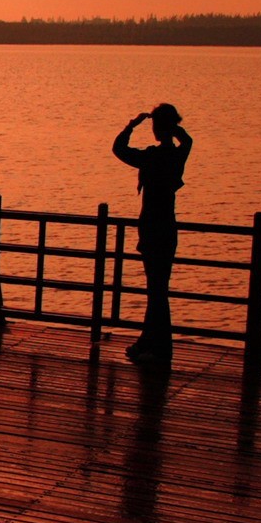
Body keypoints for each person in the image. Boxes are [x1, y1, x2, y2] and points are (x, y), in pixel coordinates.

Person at [113, 103, 192, 366]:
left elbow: (119, 149)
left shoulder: (152, 156)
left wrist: (132, 125)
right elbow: (188, 139)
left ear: (158, 128)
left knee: (157, 292)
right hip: (167, 228)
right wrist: (172, 126)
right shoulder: (178, 155)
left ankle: (161, 349)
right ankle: (147, 342)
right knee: (157, 289)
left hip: (152, 227)